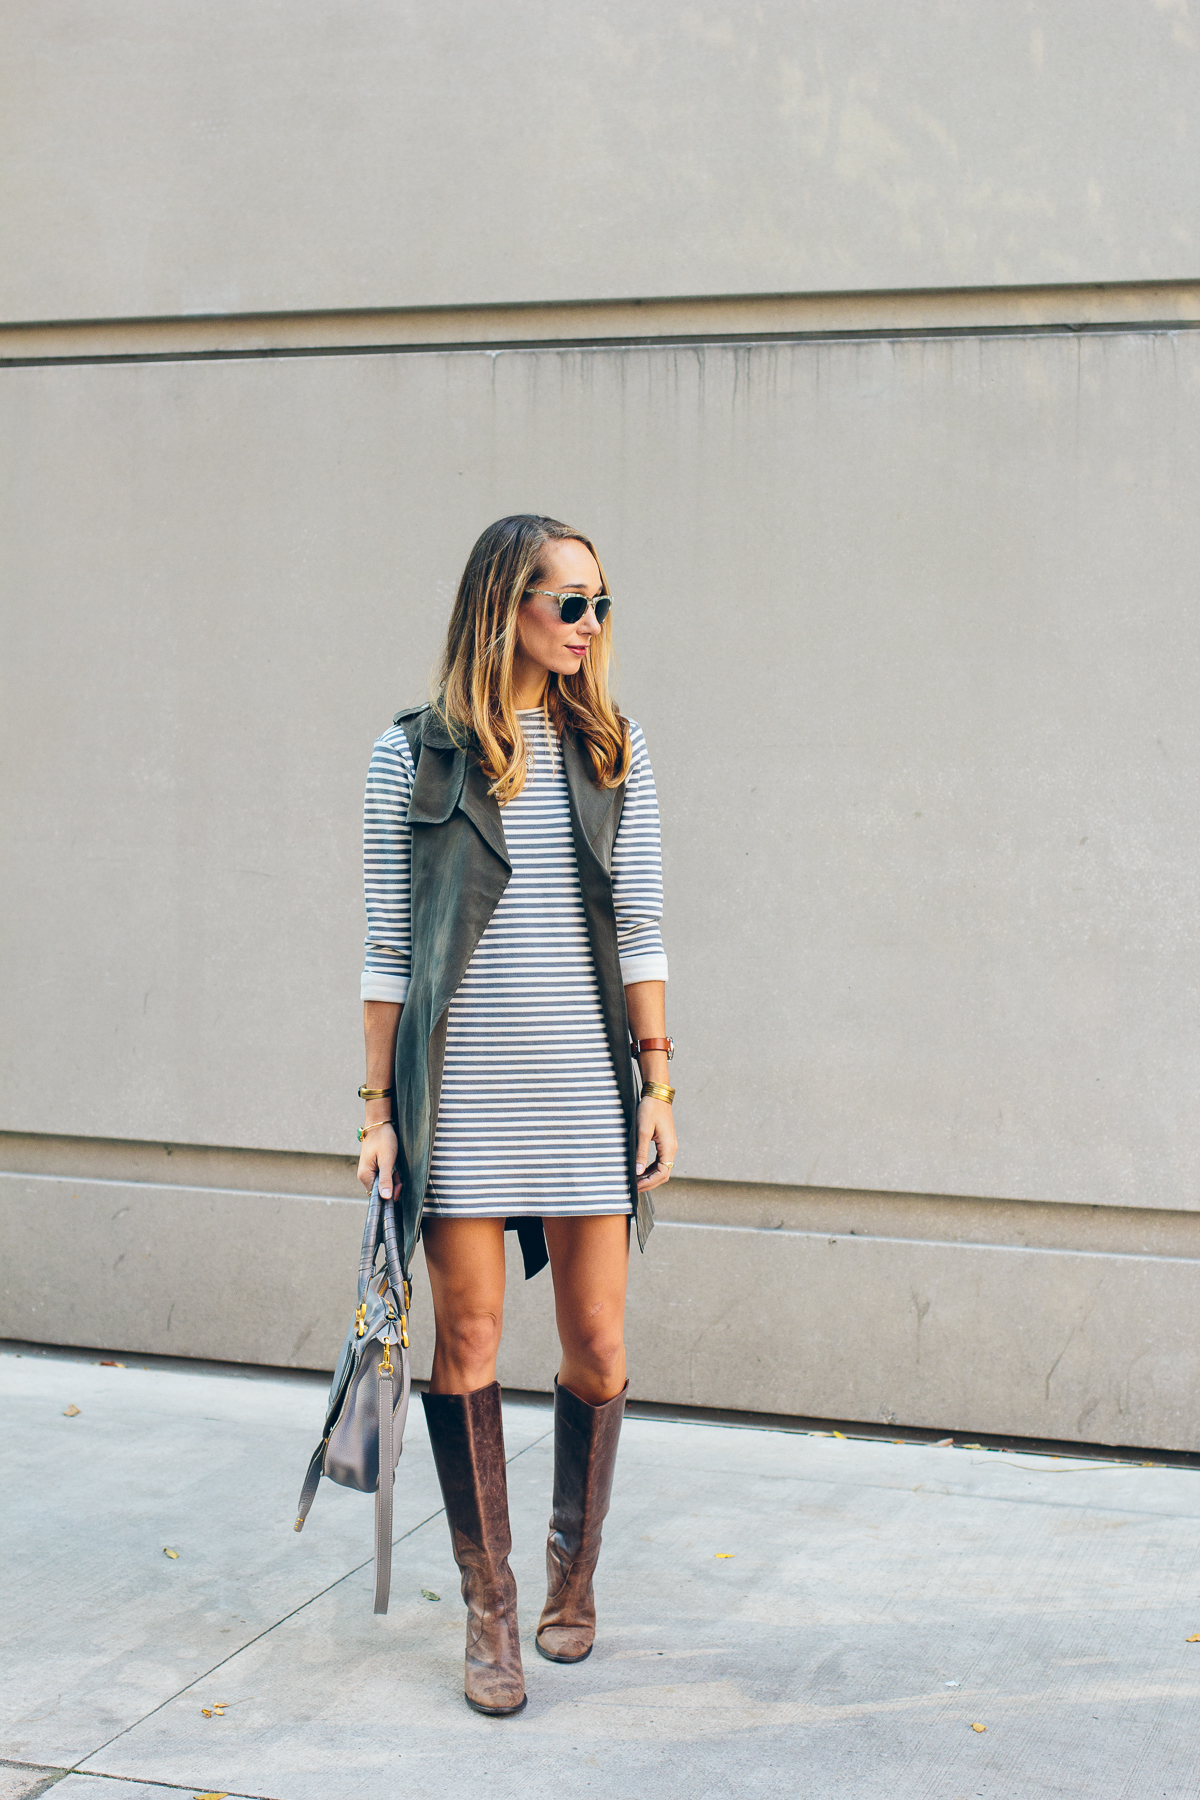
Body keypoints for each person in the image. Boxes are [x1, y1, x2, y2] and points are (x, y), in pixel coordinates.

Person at [355, 515, 676, 1717]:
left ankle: (569, 1572)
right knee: (469, 1347)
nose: (589, 627)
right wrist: (379, 1111)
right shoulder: (413, 756)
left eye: (601, 604)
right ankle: (489, 1607)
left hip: (585, 1085)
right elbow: (387, 949)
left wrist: (660, 1082)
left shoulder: (617, 751)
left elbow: (640, 922)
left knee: (597, 1346)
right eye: (569, 603)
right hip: (466, 1090)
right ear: (506, 606)